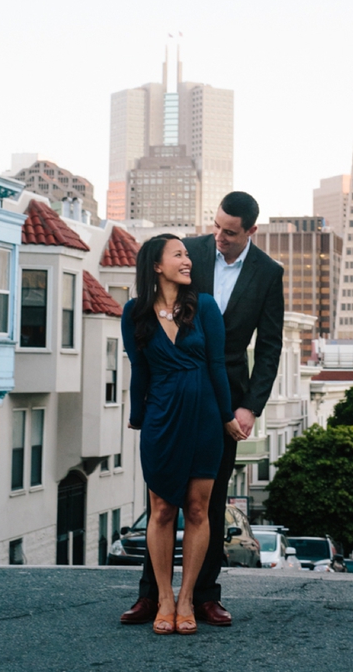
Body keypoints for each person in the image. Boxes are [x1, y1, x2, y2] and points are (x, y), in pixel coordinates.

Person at [121, 191, 284, 628]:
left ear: (251, 231)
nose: (218, 238)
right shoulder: (187, 251)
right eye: (215, 226)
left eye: (229, 232)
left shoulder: (269, 273)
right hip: (172, 395)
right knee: (162, 501)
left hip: (224, 397)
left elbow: (269, 347)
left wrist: (248, 407)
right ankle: (152, 596)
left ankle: (204, 596)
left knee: (207, 504)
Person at [121, 234, 247, 635]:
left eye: (187, 254)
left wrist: (227, 416)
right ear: (157, 266)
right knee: (161, 510)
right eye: (178, 254)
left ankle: (189, 597)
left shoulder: (204, 306)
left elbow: (216, 366)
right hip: (161, 418)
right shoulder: (134, 313)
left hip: (204, 418)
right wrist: (138, 417)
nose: (187, 260)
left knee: (197, 509)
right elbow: (139, 370)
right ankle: (164, 598)